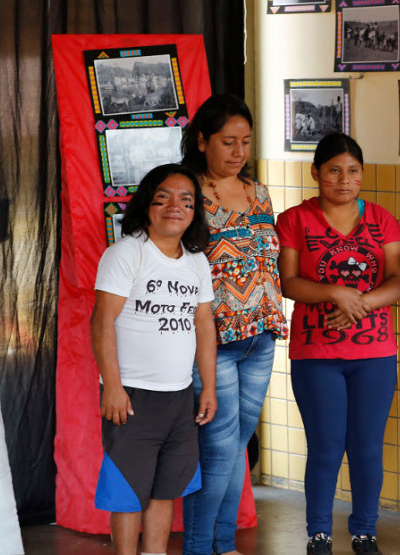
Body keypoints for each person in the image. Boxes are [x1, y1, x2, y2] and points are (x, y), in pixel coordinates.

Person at [276, 133, 400, 555]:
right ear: (316, 173)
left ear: (362, 175)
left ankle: (365, 532)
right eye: (333, 170)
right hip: (317, 354)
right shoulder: (295, 219)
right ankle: (319, 534)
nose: (344, 179)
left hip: (375, 353)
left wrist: (360, 302)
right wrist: (335, 292)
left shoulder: (382, 219)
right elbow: (289, 282)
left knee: (367, 446)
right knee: (327, 447)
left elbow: (399, 279)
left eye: (352, 171)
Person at [180, 94, 288, 555]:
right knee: (219, 451)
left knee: (237, 448)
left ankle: (224, 545)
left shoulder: (257, 192)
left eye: (245, 142)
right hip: (213, 340)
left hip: (261, 336)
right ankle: (201, 547)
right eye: (228, 142)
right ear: (203, 140)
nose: (239, 151)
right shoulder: (185, 193)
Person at [90, 163, 217, 555]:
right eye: (163, 197)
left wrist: (207, 388)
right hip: (131, 396)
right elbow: (101, 321)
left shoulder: (196, 261)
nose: (174, 207)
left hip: (179, 397)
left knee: (166, 491)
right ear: (147, 204)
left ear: (195, 212)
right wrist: (112, 386)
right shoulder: (126, 253)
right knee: (129, 490)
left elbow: (204, 326)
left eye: (186, 200)